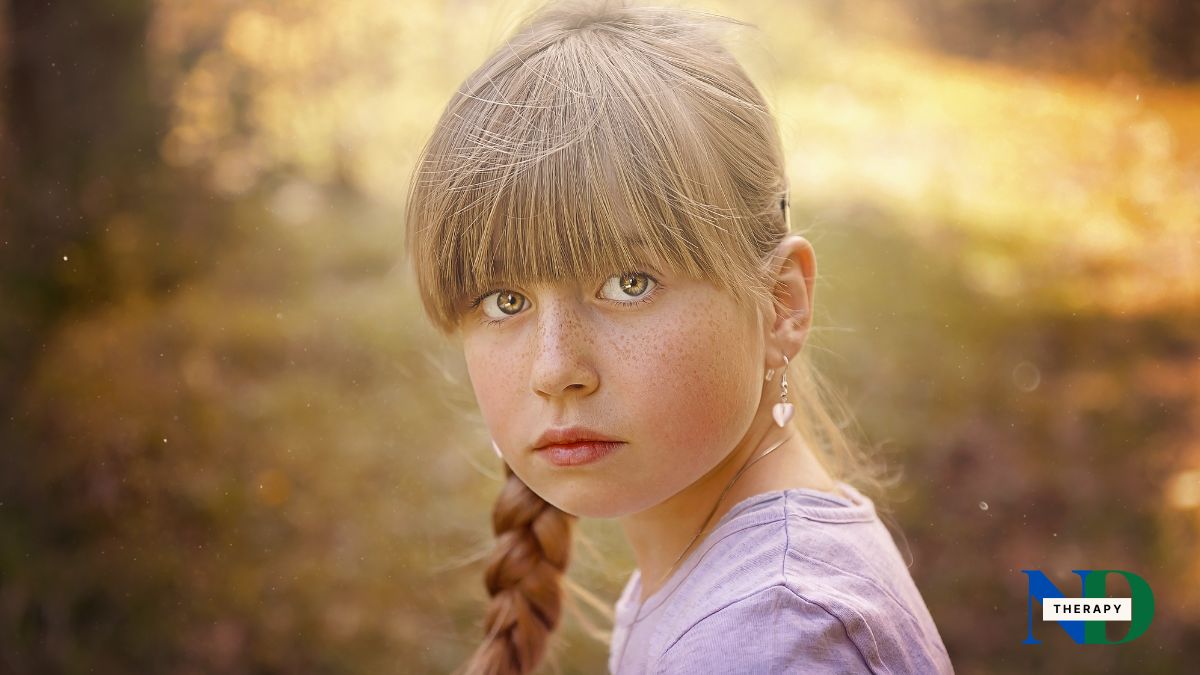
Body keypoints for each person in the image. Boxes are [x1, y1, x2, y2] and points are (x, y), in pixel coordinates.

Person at [403, 0, 954, 672]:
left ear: (782, 303)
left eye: (629, 282)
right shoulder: (730, 590)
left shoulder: (771, 634)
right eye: (506, 298)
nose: (554, 368)